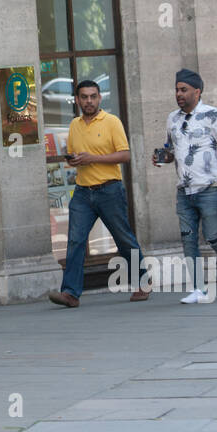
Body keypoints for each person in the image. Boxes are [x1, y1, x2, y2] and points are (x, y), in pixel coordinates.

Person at [49, 78, 149, 308]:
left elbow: (124, 155)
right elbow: (78, 156)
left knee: (123, 238)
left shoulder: (112, 122)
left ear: (99, 98)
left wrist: (92, 158)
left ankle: (142, 282)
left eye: (93, 96)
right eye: (84, 97)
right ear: (77, 100)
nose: (89, 101)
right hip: (83, 192)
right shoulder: (74, 125)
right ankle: (71, 293)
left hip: (109, 190)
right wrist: (74, 160)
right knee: (75, 240)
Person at [154, 68, 217, 304]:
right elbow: (172, 151)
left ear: (197, 91)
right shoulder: (172, 118)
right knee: (188, 238)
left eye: (183, 90)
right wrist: (162, 158)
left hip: (210, 187)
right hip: (184, 190)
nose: (179, 94)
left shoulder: (212, 115)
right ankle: (198, 289)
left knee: (213, 237)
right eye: (176, 90)